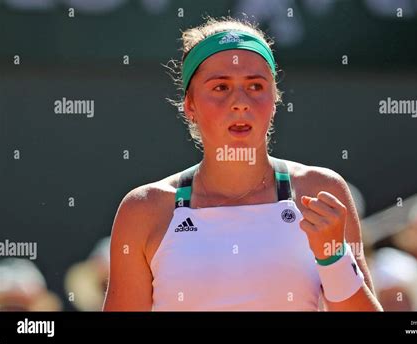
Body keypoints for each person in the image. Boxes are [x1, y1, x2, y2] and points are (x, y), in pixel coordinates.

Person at [103, 16, 382, 311]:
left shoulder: (322, 191)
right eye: (221, 87)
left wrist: (333, 258)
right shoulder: (143, 210)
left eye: (255, 86)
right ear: (190, 106)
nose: (240, 102)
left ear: (275, 100)